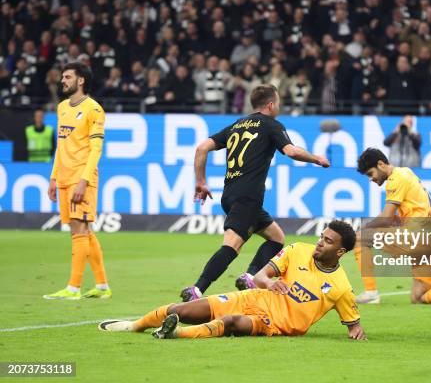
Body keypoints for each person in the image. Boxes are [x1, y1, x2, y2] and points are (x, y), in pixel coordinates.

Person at [180, 84, 330, 302]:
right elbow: (291, 151)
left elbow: (202, 148)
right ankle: (197, 289)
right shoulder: (271, 125)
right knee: (232, 245)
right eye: (277, 103)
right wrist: (317, 158)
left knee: (277, 238)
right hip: (247, 196)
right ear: (270, 105)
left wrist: (201, 182)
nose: (278, 107)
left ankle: (250, 276)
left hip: (230, 195)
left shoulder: (237, 125)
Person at [99, 221, 366, 340]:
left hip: (273, 324)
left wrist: (355, 331)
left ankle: (175, 333)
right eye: (321, 236)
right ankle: (134, 326)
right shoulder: (298, 249)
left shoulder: (341, 288)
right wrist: (269, 283)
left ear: (340, 252)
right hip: (253, 298)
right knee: (182, 310)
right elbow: (261, 275)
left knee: (230, 323)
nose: (320, 242)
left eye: (328, 241)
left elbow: (353, 324)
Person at [353, 148, 431, 306]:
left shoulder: (395, 179)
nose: (370, 179)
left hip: (417, 237)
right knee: (419, 296)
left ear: (380, 164)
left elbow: (386, 217)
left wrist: (364, 228)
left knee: (360, 238)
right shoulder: (406, 172)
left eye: (370, 173)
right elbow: (397, 215)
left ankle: (371, 292)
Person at [43, 62, 111, 300]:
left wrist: (83, 181)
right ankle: (102, 286)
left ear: (80, 80)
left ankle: (73, 288)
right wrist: (53, 178)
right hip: (63, 176)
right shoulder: (62, 108)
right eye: (63, 76)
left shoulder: (94, 109)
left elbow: (96, 149)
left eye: (67, 76)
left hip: (82, 177)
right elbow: (61, 147)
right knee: (83, 229)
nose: (63, 80)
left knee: (79, 230)